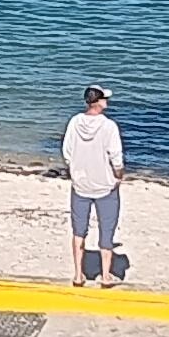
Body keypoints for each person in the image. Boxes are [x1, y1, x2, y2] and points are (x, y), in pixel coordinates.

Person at [63, 86, 125, 286]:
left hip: (81, 184)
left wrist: (76, 170)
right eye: (105, 99)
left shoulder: (74, 123)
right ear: (98, 102)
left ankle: (78, 274)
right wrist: (119, 175)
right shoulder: (109, 127)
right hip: (104, 185)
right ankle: (106, 276)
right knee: (107, 229)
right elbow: (116, 157)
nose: (107, 101)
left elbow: (67, 153)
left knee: (78, 230)